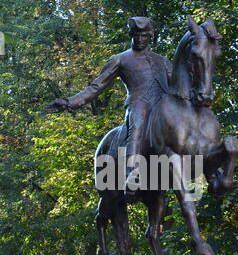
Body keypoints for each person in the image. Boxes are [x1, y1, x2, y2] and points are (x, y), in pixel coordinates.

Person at [45, 16, 172, 202]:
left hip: (163, 108)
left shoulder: (162, 61)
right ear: (131, 35)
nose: (140, 38)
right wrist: (68, 102)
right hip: (139, 104)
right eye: (137, 34)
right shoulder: (120, 60)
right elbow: (95, 87)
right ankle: (133, 172)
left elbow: (177, 85)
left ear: (150, 36)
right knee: (137, 122)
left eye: (145, 35)